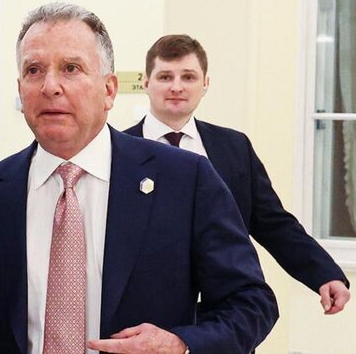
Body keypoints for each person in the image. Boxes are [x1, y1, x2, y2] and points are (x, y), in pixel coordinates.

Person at [0, 3, 278, 354]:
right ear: (20, 90)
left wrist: (181, 344)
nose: (50, 86)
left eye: (71, 68)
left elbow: (252, 302)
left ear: (109, 90)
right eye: (34, 70)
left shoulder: (185, 180)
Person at [124, 33, 350, 315]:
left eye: (189, 77)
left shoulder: (234, 147)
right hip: (145, 314)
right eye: (165, 77)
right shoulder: (119, 152)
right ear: (146, 83)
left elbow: (273, 223)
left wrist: (324, 273)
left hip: (226, 313)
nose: (177, 87)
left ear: (205, 84)